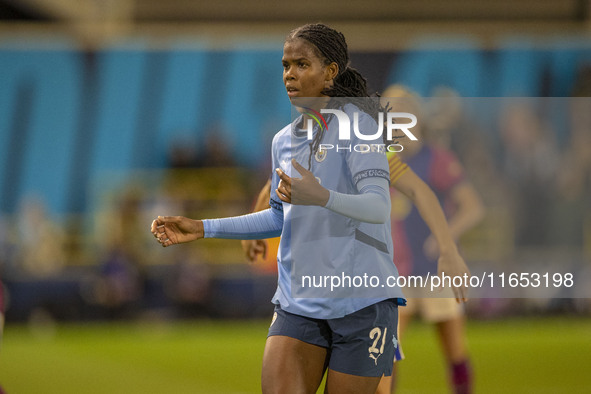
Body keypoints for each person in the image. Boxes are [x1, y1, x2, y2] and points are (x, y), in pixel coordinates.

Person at [151, 23, 469, 394]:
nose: (289, 74)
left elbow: (380, 206)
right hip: (298, 303)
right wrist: (203, 228)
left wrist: (447, 248)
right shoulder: (284, 141)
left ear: (330, 72)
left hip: (363, 304)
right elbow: (279, 213)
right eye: (285, 65)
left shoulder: (362, 131)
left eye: (301, 64)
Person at [375, 85, 485, 394]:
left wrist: (444, 238)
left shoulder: (435, 158)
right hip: (397, 270)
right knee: (387, 350)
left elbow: (472, 207)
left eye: (395, 111)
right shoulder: (382, 158)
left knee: (454, 349)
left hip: (437, 271)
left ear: (414, 116)